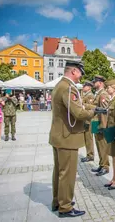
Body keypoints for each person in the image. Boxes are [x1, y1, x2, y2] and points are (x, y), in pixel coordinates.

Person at [49, 60, 96, 218]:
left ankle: (58, 201)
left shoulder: (60, 85)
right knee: (67, 174)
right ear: (74, 71)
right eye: (80, 72)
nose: (81, 76)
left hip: (59, 136)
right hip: (67, 137)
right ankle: (66, 207)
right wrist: (95, 111)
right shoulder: (68, 88)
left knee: (59, 172)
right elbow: (80, 114)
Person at [91, 75, 110, 176]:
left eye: (96, 81)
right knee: (98, 145)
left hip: (99, 123)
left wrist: (103, 126)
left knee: (103, 146)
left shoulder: (103, 94)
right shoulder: (98, 93)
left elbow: (104, 112)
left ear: (101, 83)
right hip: (95, 122)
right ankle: (101, 164)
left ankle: (105, 166)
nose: (94, 83)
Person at [80, 82, 95, 163]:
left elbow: (90, 109)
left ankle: (90, 155)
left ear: (89, 87)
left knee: (89, 139)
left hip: (89, 120)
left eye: (84, 86)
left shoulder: (90, 96)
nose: (83, 86)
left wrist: (87, 121)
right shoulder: (85, 95)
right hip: (86, 120)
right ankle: (88, 154)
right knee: (87, 139)